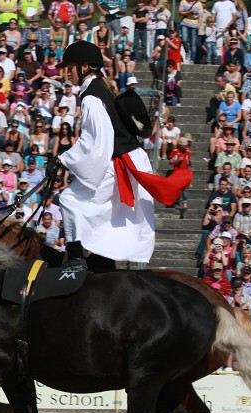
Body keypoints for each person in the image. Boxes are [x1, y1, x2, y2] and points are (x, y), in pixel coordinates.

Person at [56, 40, 190, 271]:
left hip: (118, 160)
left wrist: (63, 159)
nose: (66, 71)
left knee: (70, 200)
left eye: (70, 66)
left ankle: (77, 260)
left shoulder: (90, 98)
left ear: (85, 67)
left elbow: (96, 142)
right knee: (106, 213)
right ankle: (102, 260)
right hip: (126, 157)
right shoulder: (99, 89)